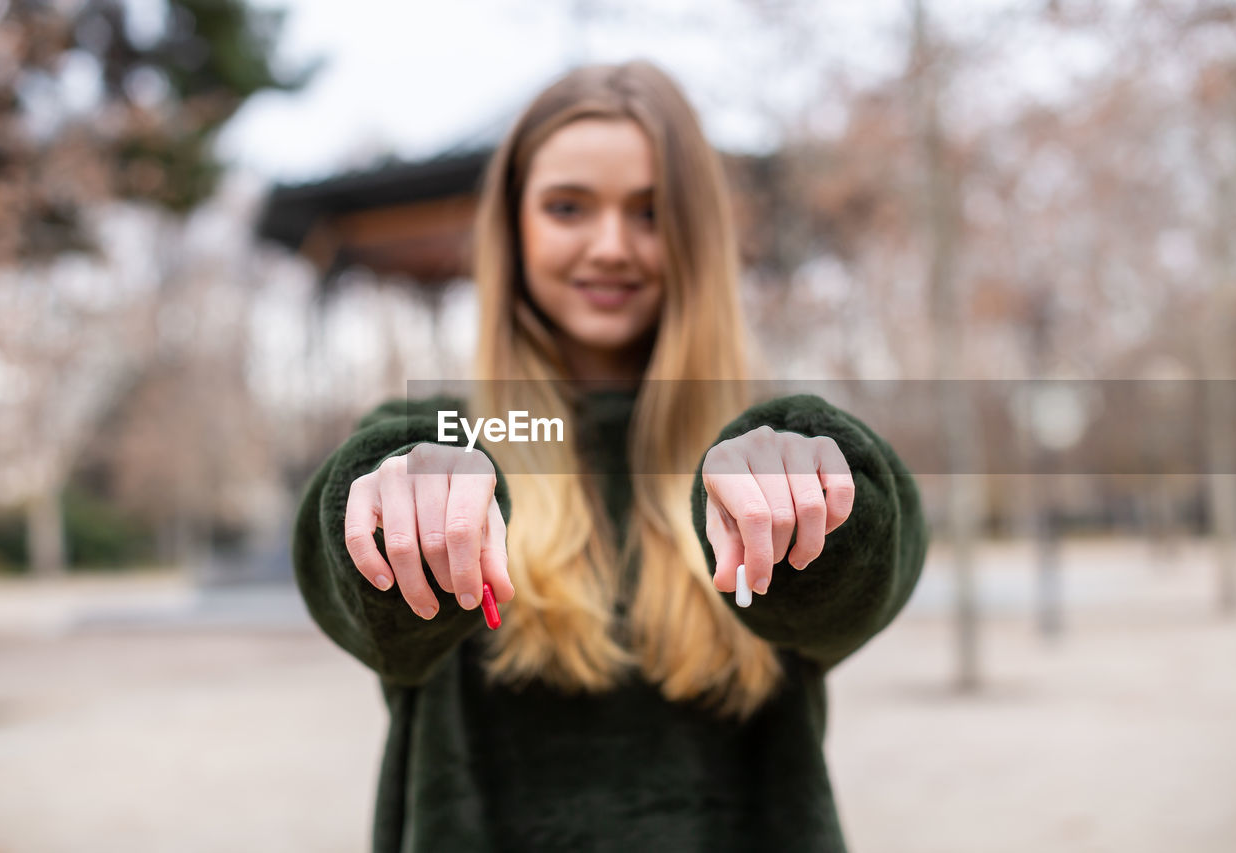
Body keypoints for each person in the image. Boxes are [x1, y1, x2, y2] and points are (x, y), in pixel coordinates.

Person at [292, 59, 928, 853]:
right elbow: (351, 564)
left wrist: (820, 489)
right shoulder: (457, 436)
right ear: (514, 227)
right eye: (567, 207)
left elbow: (875, 558)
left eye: (652, 212)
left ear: (697, 235)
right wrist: (398, 493)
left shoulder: (760, 450)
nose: (611, 246)